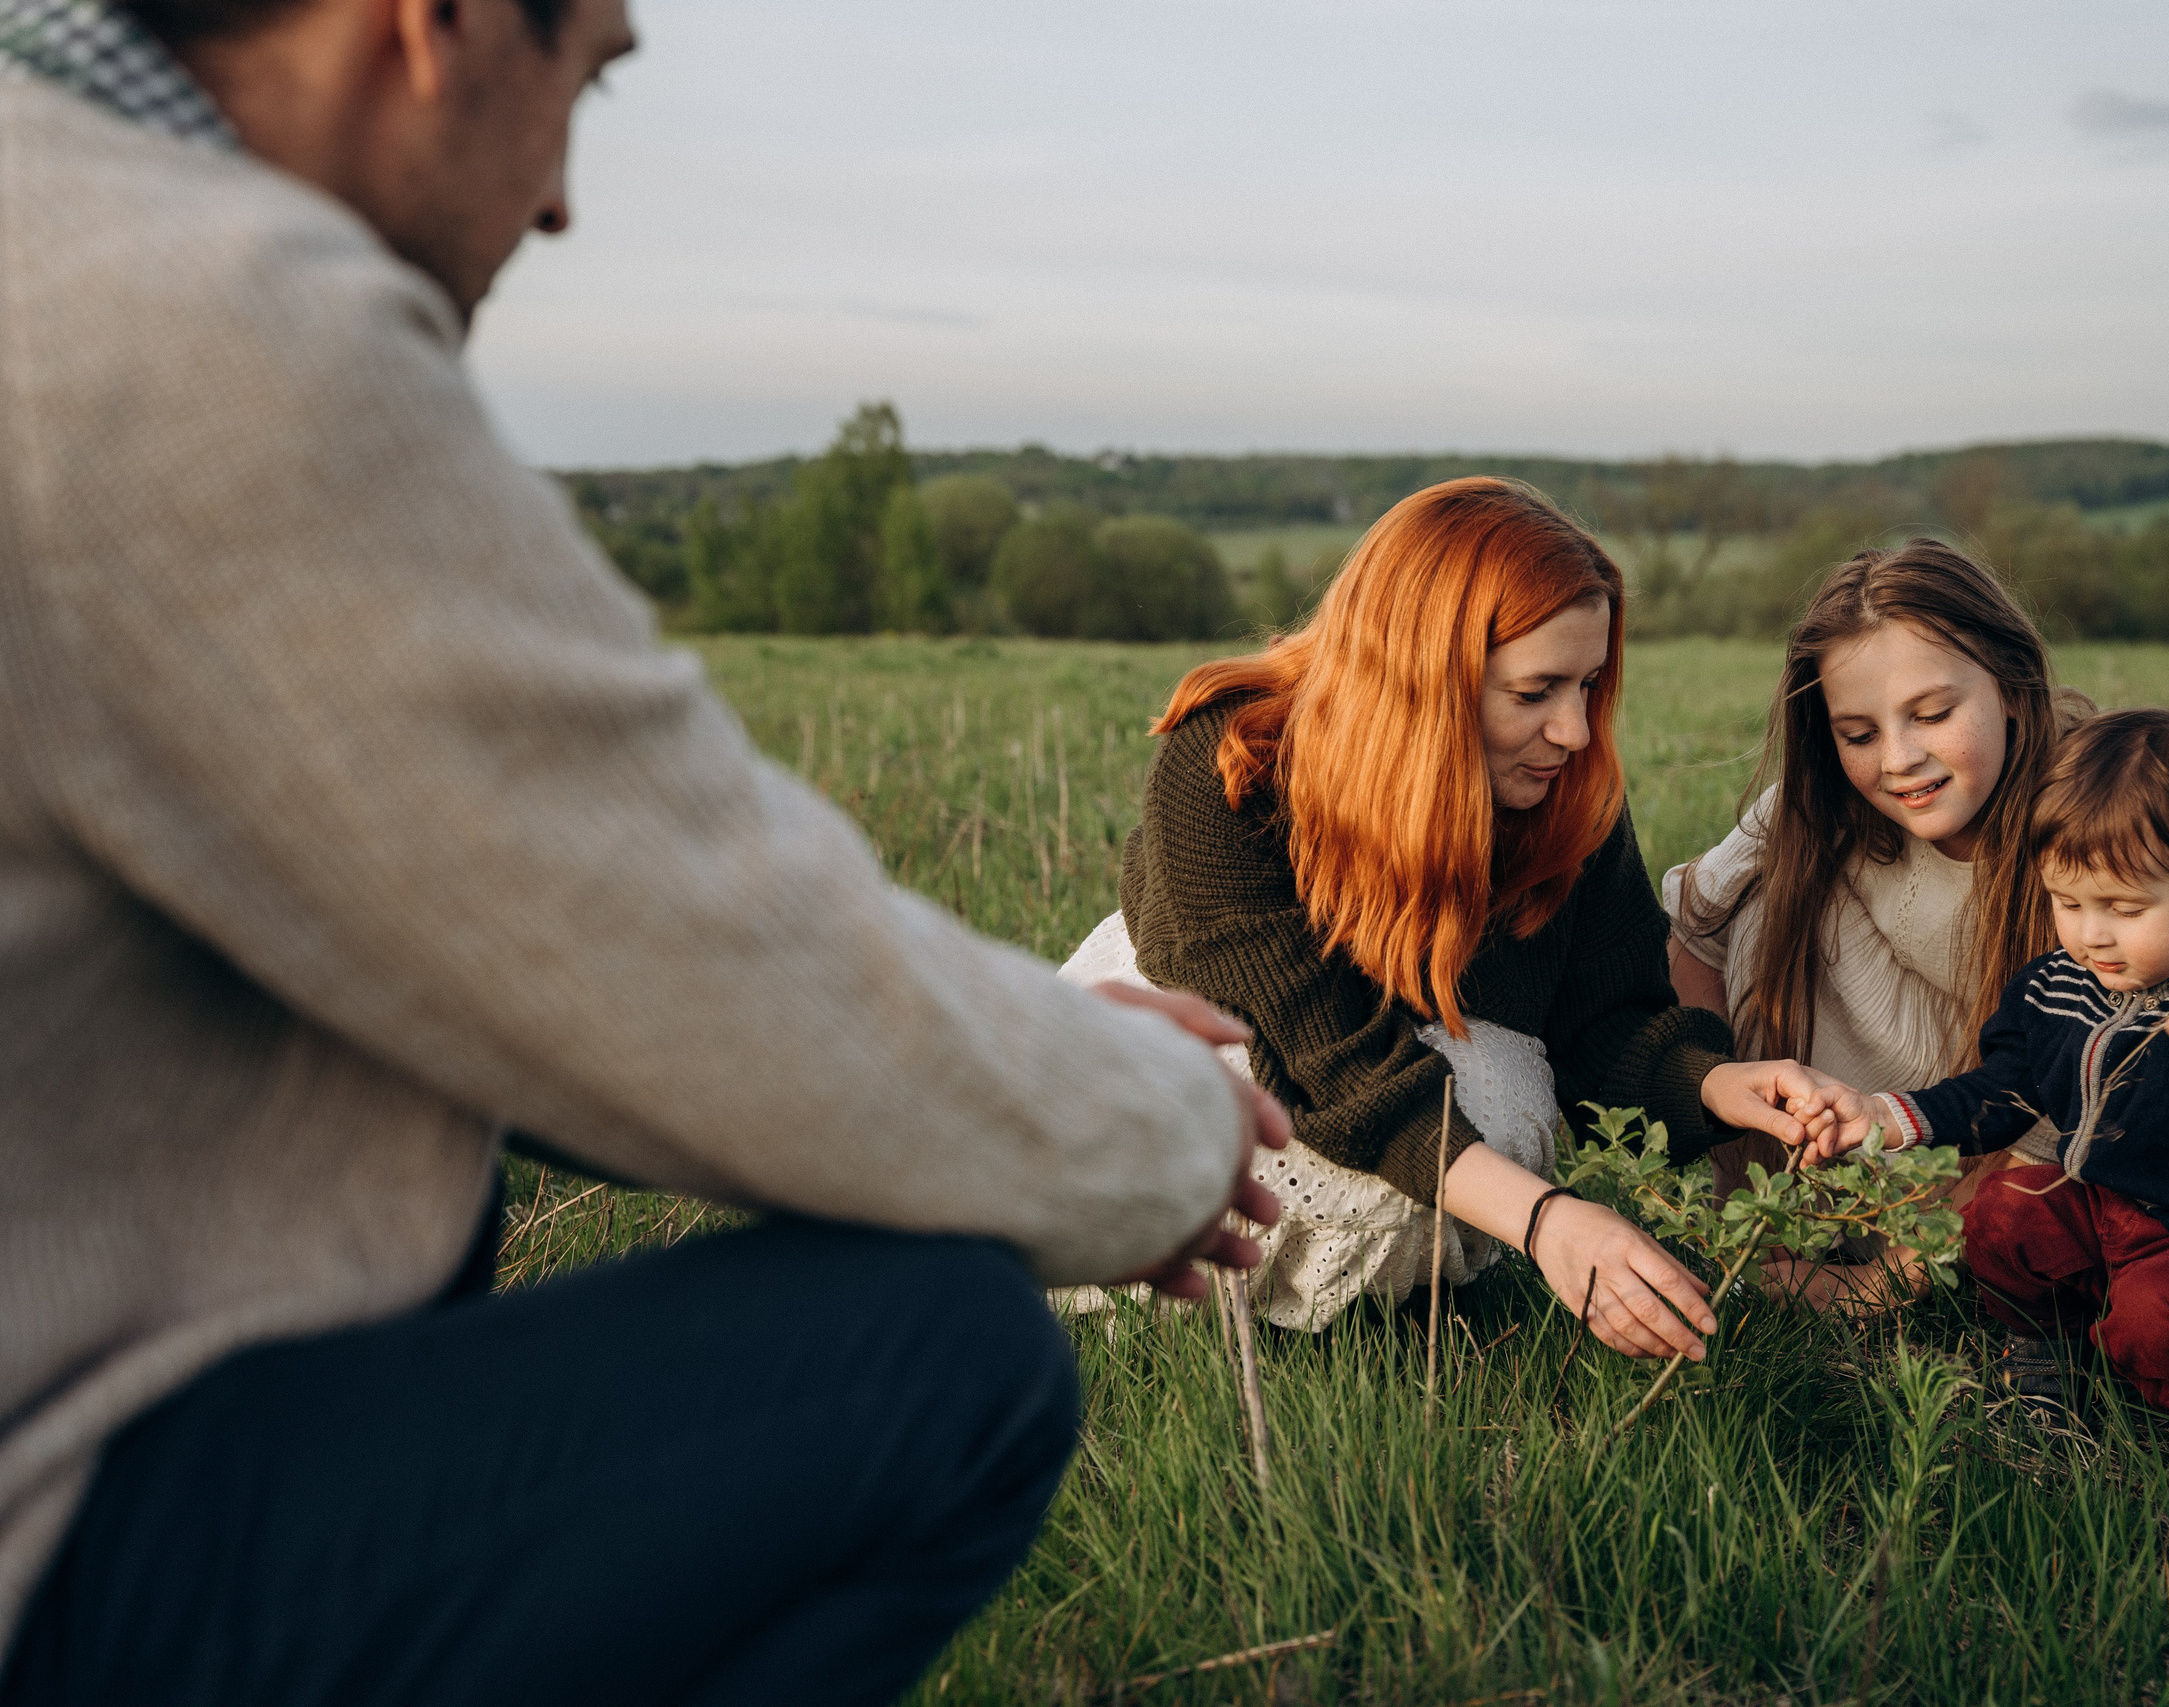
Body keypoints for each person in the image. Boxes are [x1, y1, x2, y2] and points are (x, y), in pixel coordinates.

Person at [0, 2, 1288, 1701]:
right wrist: (1160, 1133)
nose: (558, 209)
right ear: (437, 25)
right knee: (940, 1362)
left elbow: (482, 963)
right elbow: (684, 948)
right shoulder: (189, 317)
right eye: (586, 76)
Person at [1063, 477, 1863, 1361]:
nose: (1577, 731)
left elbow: (1604, 1024)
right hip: (1214, 1050)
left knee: (1505, 1091)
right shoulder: (1233, 767)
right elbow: (1336, 1067)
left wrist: (1719, 1085)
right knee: (1266, 1128)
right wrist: (1550, 1221)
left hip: (1396, 1062)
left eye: (1589, 685)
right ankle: (1180, 1307)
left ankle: (1377, 1309)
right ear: (1423, 675)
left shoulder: (1569, 795)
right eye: (1536, 692)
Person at [1806, 710, 2169, 1471]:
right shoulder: (2055, 986)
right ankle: (2048, 1350)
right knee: (2001, 1216)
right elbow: (2002, 1092)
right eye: (2069, 902)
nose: (2092, 934)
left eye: (2126, 909)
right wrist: (1885, 1117)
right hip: (2110, 1208)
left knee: (2161, 1314)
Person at [1662, 540, 2081, 1306]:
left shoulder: (2081, 830)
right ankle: (1783, 1232)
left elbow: (2061, 1105)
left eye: (1932, 714)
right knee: (1760, 905)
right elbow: (1691, 934)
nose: (1899, 758)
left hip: (2016, 1145)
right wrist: (1733, 1148)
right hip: (1849, 1128)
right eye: (1859, 734)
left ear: (2012, 689)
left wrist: (1889, 1281)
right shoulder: (1812, 808)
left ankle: (1903, 1268)